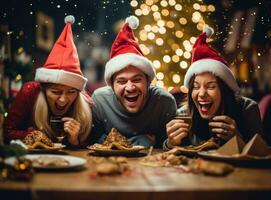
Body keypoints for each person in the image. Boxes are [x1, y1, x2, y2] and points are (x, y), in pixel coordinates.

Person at [165, 27, 262, 148]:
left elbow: (263, 155)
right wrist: (170, 143)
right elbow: (170, 151)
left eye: (210, 87)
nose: (201, 94)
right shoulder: (184, 114)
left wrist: (237, 139)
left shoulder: (248, 109)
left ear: (224, 90)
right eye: (196, 87)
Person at [4, 15, 92, 147]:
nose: (63, 100)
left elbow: (92, 144)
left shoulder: (86, 104)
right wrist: (34, 136)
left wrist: (75, 140)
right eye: (56, 91)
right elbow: (7, 133)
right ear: (43, 88)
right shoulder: (30, 92)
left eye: (71, 92)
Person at [89, 16, 177, 148]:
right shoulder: (100, 100)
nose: (130, 88)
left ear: (148, 81)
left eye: (137, 79)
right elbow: (92, 141)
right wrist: (143, 140)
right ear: (112, 85)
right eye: (122, 81)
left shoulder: (164, 102)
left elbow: (171, 145)